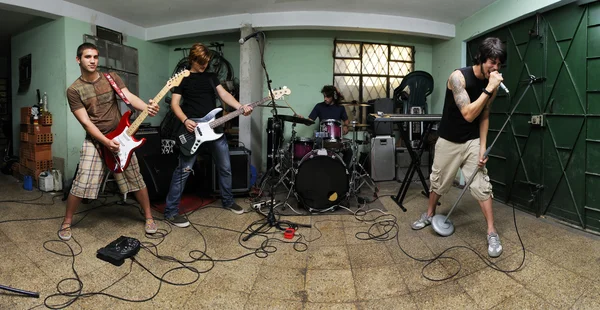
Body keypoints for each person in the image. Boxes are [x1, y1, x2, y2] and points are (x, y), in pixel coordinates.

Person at [411, 37, 506, 258]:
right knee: (438, 181)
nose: (496, 68)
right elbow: (468, 113)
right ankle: (429, 213)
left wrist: (483, 147)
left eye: (500, 64)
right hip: (448, 139)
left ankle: (492, 231)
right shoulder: (458, 77)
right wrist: (489, 88)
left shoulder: (492, 85)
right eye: (492, 62)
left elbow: (484, 115)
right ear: (481, 58)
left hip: (472, 140)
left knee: (482, 184)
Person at [59, 43, 160, 241]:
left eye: (95, 57)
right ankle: (66, 222)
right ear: (78, 60)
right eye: (88, 57)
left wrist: (147, 108)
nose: (93, 60)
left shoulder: (111, 78)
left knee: (136, 179)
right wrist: (105, 141)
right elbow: (86, 122)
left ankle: (149, 217)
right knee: (81, 182)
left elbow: (129, 97)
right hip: (96, 141)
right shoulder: (74, 90)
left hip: (121, 138)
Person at [164, 43, 253, 228]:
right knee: (183, 171)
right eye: (201, 62)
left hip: (214, 129)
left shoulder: (212, 77)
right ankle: (171, 212)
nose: (204, 65)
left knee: (225, 167)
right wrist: (185, 120)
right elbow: (174, 104)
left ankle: (228, 201)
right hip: (192, 128)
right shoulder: (183, 78)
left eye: (206, 62)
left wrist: (240, 107)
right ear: (192, 59)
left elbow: (224, 95)